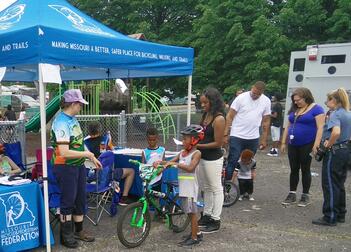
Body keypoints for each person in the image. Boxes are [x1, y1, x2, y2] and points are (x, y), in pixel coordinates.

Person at [51, 89, 102, 248]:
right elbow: (64, 152)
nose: (81, 107)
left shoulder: (73, 120)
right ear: (73, 103)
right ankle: (66, 235)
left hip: (78, 165)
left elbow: (80, 143)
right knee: (68, 200)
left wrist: (91, 156)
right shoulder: (61, 122)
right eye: (80, 104)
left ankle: (79, 230)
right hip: (65, 167)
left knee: (80, 198)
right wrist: (87, 154)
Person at [312, 88, 351, 226]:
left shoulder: (335, 115)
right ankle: (340, 213)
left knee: (329, 183)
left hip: (334, 152)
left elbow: (336, 132)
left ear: (335, 100)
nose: (326, 102)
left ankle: (330, 215)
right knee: (339, 183)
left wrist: (328, 144)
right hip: (345, 150)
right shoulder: (348, 113)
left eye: (328, 99)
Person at [160, 125, 203, 247]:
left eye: (185, 139)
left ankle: (194, 238)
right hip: (183, 187)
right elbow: (170, 161)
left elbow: (190, 168)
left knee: (193, 213)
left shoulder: (197, 153)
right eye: (183, 138)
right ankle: (197, 233)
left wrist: (176, 164)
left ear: (194, 140)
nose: (183, 141)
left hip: (191, 188)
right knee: (189, 212)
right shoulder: (182, 153)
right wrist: (160, 163)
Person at [281, 87, 324, 207]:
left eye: (298, 100)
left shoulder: (316, 109)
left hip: (307, 143)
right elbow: (288, 126)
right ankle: (292, 193)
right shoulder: (294, 109)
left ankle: (305, 195)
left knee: (305, 168)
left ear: (306, 97)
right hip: (293, 144)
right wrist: (283, 142)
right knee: (293, 169)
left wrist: (316, 144)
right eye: (294, 100)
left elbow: (320, 127)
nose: (296, 102)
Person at [224, 81, 271, 180]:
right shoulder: (241, 98)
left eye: (258, 94)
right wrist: (225, 134)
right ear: (252, 87)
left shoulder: (266, 101)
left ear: (262, 92)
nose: (255, 96)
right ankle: (227, 187)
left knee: (248, 163)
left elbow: (266, 121)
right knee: (233, 160)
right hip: (237, 135)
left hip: (253, 137)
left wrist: (264, 139)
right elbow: (230, 116)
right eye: (254, 93)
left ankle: (244, 190)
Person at [84, 121, 135, 206]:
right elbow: (112, 150)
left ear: (88, 131)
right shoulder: (106, 139)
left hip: (89, 177)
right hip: (105, 176)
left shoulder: (84, 143)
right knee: (131, 171)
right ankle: (124, 198)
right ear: (99, 130)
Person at [196, 87, 225, 233]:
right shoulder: (205, 115)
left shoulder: (219, 118)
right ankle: (206, 215)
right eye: (201, 103)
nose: (202, 105)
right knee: (206, 187)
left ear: (213, 102)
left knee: (216, 188)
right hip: (203, 156)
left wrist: (198, 145)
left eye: (205, 103)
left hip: (213, 158)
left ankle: (216, 218)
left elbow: (218, 143)